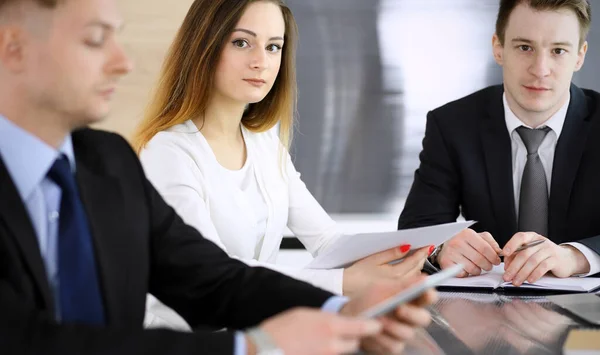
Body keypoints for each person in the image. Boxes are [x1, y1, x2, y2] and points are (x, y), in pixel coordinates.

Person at [0, 0, 438, 354]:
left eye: (274, 47)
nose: (124, 62)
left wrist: (339, 308)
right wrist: (250, 346)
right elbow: (26, 339)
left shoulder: (106, 160)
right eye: (96, 40)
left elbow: (209, 275)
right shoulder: (167, 152)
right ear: (13, 47)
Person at [133, 0, 432, 328]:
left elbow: (327, 241)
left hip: (258, 336)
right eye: (241, 43)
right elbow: (214, 273)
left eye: (273, 47)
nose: (261, 61)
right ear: (204, 46)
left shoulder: (263, 145)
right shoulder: (167, 153)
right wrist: (344, 282)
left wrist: (418, 252)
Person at [399, 0, 600, 286]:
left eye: (558, 51)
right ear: (498, 48)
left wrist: (576, 257)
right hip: (484, 314)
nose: (540, 69)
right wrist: (441, 247)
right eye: (524, 47)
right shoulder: (452, 125)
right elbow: (415, 228)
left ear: (579, 56)